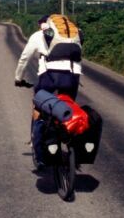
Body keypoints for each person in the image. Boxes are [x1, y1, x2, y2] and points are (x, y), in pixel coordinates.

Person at [14, 15, 83, 168]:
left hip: (49, 76)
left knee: (39, 109)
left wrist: (18, 78)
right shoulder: (73, 34)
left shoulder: (39, 35)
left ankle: (40, 155)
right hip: (73, 76)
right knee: (68, 109)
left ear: (43, 25)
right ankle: (71, 143)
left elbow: (24, 58)